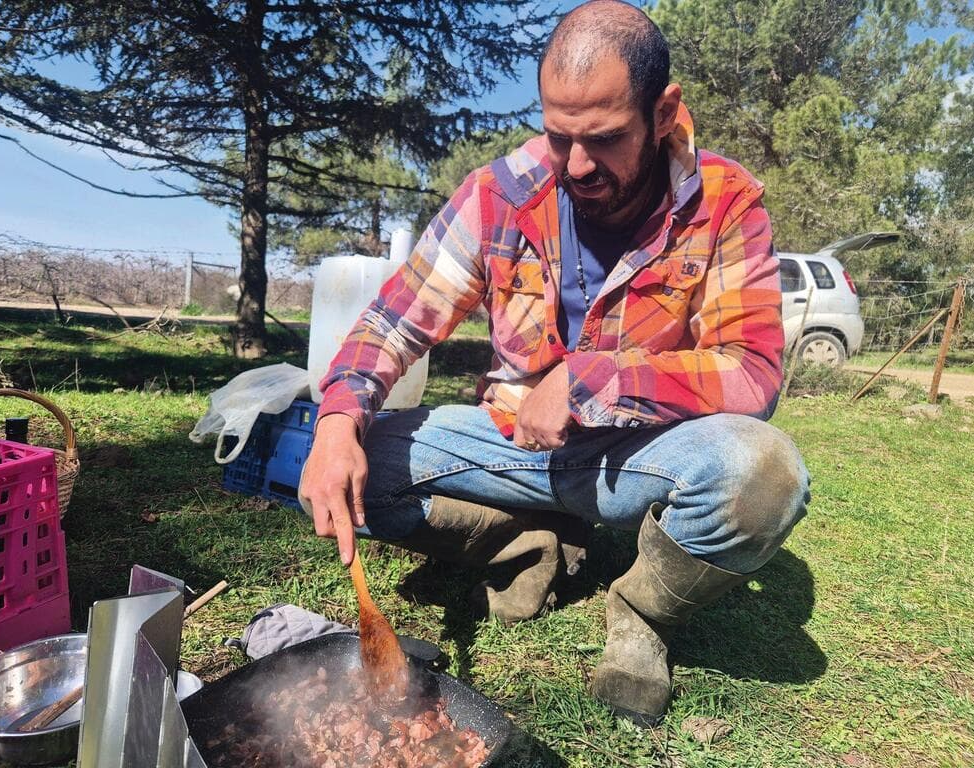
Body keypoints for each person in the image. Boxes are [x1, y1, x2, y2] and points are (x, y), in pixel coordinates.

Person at [299, 0, 810, 726]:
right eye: (557, 134)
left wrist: (595, 376)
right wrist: (339, 420)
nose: (575, 165)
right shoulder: (500, 194)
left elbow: (751, 372)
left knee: (765, 476)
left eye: (602, 139)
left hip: (638, 455)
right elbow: (393, 319)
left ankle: (640, 611)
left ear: (664, 113)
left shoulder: (724, 203)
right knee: (341, 466)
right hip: (512, 445)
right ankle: (529, 544)